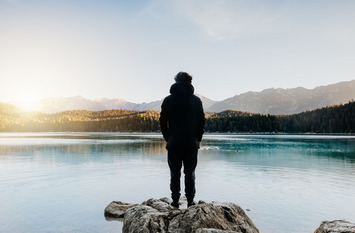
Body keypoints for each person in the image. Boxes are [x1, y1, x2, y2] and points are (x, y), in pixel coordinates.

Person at [160, 72, 206, 208]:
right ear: (189, 82)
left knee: (175, 173)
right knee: (190, 173)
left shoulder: (168, 100)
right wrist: (197, 139)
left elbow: (163, 122)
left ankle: (175, 201)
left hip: (174, 142)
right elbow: (202, 121)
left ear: (176, 81)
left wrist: (168, 138)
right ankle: (190, 202)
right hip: (191, 142)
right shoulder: (196, 100)